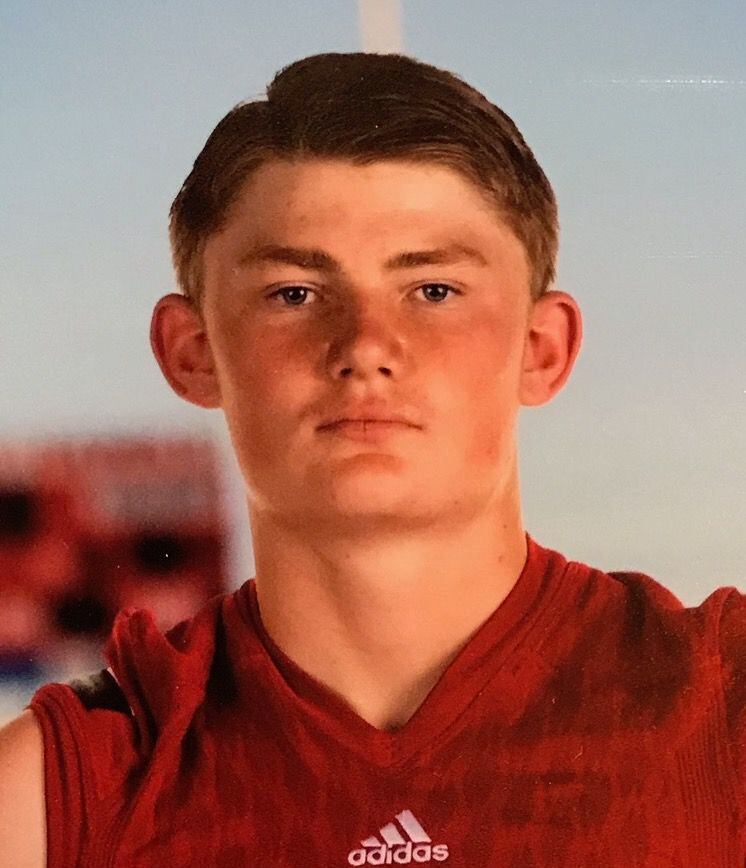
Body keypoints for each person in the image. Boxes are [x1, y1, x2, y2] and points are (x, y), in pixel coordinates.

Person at [0, 51, 743, 867]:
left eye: (433, 291)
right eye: (294, 294)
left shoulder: (725, 709)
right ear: (193, 351)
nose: (365, 347)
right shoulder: (52, 799)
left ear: (542, 347)